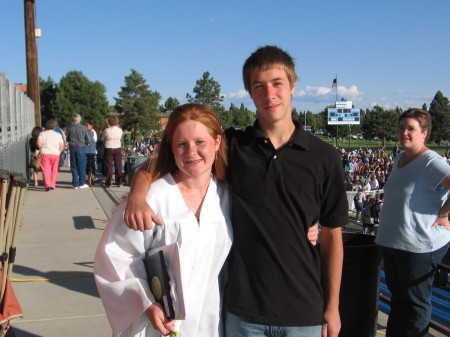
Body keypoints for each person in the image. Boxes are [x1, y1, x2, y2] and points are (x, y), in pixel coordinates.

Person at [124, 45, 347, 337]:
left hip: (303, 309)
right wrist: (138, 195)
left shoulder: (324, 157)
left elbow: (333, 236)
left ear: (293, 85)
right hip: (242, 312)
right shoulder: (234, 147)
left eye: (277, 83)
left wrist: (333, 305)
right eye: (259, 86)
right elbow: (167, 162)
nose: (270, 94)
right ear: (249, 92)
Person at [94, 103, 232, 336]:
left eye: (200, 142)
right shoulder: (153, 198)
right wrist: (146, 303)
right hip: (157, 324)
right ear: (172, 147)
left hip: (210, 321)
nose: (191, 152)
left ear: (217, 142)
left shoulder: (226, 197)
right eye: (182, 144)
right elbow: (115, 256)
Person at [375, 108, 450, 337]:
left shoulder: (431, 162)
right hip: (395, 243)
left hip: (418, 248)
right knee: (398, 303)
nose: (404, 133)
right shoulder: (400, 157)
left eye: (411, 129)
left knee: (415, 309)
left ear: (424, 134)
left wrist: (444, 214)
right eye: (401, 128)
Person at [37, 119, 64, 191]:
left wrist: (41, 149)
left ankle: (47, 184)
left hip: (45, 153)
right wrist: (59, 152)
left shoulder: (42, 134)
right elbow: (61, 145)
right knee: (54, 170)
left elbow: (39, 144)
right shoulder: (58, 135)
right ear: (54, 127)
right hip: (55, 154)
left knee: (46, 170)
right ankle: (52, 184)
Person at [66, 113, 90, 189]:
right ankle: (81, 182)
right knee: (82, 166)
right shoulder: (83, 128)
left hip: (73, 147)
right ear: (80, 120)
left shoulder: (69, 128)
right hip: (81, 148)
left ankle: (75, 183)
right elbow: (88, 139)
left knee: (74, 166)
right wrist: (85, 144)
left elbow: (67, 138)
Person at [102, 116, 123, 188]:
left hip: (109, 147)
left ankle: (108, 183)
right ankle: (119, 182)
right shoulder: (120, 130)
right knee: (118, 165)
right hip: (117, 147)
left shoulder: (107, 130)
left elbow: (103, 138)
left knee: (109, 166)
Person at [85, 121, 97, 185]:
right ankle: (89, 178)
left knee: (92, 166)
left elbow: (92, 140)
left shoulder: (93, 132)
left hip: (92, 151)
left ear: (91, 125)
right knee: (88, 166)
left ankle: (91, 178)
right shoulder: (86, 132)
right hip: (86, 151)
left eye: (87, 125)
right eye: (86, 125)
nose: (86, 126)